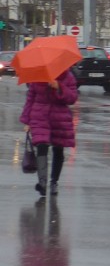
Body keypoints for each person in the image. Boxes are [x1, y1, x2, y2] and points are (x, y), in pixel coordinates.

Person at [18, 67, 79, 196]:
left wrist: (59, 87)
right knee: (42, 146)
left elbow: (72, 98)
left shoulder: (68, 77)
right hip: (40, 116)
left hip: (60, 117)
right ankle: (42, 183)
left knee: (58, 149)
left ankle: (54, 182)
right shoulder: (37, 77)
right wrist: (27, 120)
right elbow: (30, 98)